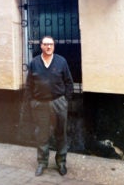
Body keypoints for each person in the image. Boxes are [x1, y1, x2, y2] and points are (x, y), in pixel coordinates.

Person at [26, 35, 74, 177]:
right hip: (40, 103)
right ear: (40, 46)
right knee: (42, 134)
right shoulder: (34, 62)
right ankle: (42, 163)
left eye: (51, 44)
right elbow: (29, 85)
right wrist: (32, 101)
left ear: (54, 46)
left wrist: (65, 100)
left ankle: (61, 162)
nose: (48, 47)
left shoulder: (61, 61)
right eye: (46, 44)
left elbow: (69, 82)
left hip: (58, 102)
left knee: (61, 133)